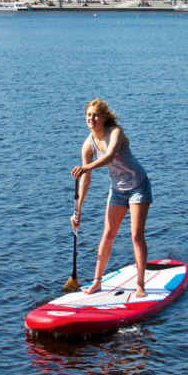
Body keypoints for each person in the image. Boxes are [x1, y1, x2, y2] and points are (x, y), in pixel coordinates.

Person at [70, 98, 152, 296]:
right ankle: (97, 282)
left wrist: (86, 167)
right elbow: (85, 180)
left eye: (95, 115)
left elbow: (109, 156)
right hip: (117, 190)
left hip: (138, 186)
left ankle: (140, 285)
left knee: (135, 235)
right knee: (108, 234)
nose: (92, 118)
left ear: (104, 117)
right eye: (89, 115)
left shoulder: (115, 132)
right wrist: (77, 210)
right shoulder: (88, 145)